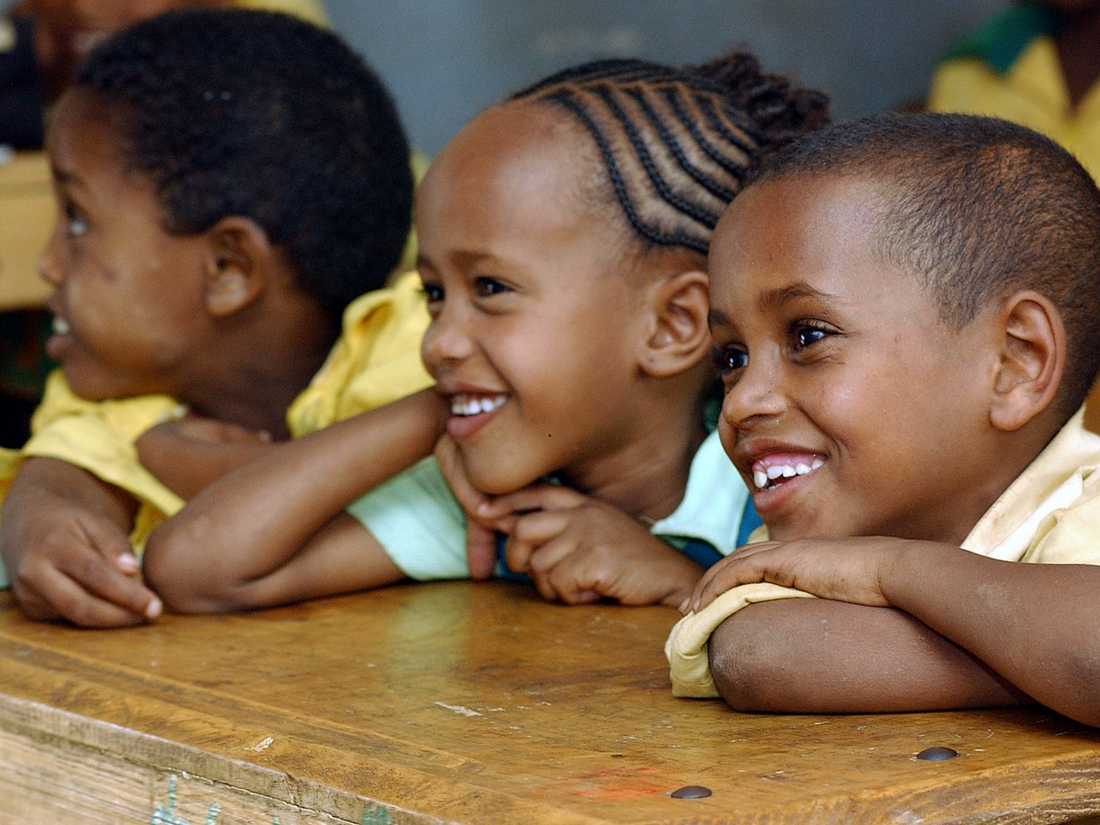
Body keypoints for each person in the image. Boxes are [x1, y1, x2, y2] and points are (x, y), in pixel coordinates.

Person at [141, 54, 829, 614]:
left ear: (673, 324)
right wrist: (428, 413)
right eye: (435, 295)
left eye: (491, 289)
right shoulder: (504, 504)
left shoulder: (783, 472)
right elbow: (195, 568)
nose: (439, 341)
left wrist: (682, 584)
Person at [665, 112, 1100, 729]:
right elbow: (766, 653)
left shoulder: (1086, 501)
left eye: (808, 335)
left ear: (1013, 363)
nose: (740, 402)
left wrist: (888, 569)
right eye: (732, 359)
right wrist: (1052, 669)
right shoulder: (823, 540)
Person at [0, 8, 431, 628]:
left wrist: (190, 465)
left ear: (228, 269)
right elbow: (67, 461)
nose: (47, 263)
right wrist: (42, 519)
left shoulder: (420, 350)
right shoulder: (128, 386)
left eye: (77, 220)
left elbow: (435, 490)